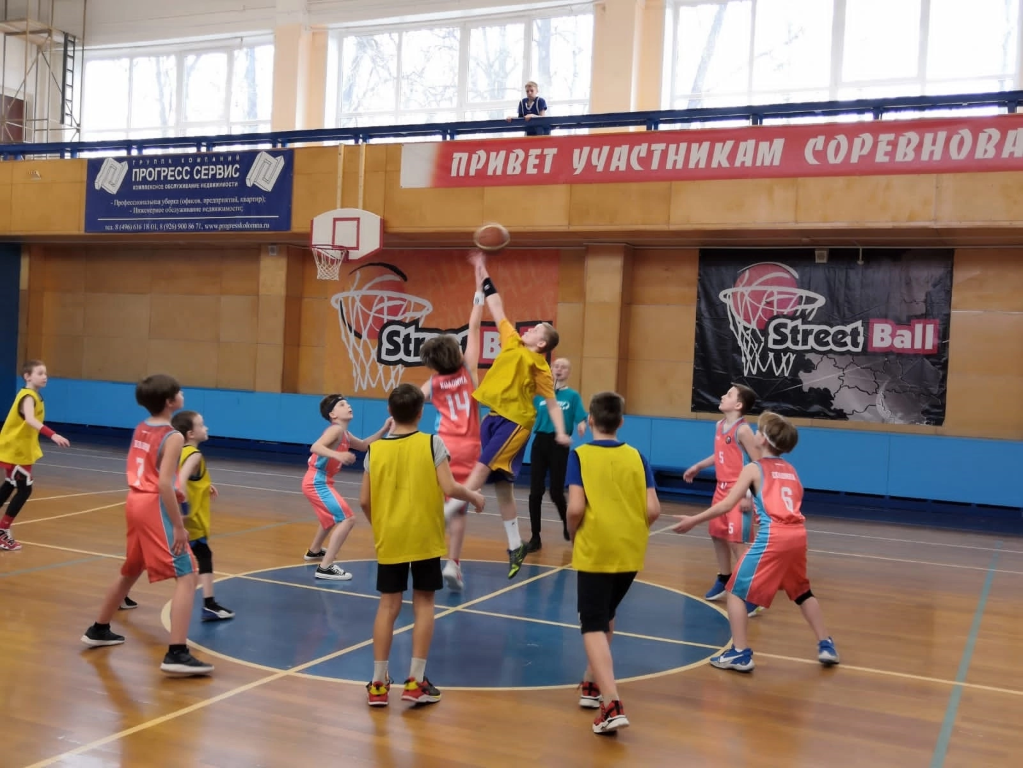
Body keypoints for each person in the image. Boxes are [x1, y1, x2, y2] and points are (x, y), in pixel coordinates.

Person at [672, 411, 840, 672]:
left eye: (759, 431)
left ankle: (740, 654)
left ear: (763, 439)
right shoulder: (791, 470)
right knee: (802, 591)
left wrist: (693, 520)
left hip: (774, 536)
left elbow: (726, 504)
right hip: (798, 535)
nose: (755, 433)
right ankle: (826, 644)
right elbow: (790, 499)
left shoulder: (754, 468)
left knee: (736, 591)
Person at [81, 374, 213, 676]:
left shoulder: (142, 427)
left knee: (131, 569)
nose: (182, 394)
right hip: (154, 506)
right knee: (188, 574)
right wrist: (178, 525)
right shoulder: (173, 436)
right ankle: (177, 653)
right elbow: (164, 482)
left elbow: (151, 471)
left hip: (135, 501)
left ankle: (99, 628)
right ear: (170, 401)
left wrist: (174, 489)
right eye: (179, 391)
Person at [361, 384, 484, 707]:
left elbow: (364, 501)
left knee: (387, 606)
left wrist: (380, 526)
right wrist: (473, 495)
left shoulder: (375, 450)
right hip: (425, 538)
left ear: (390, 412)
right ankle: (415, 681)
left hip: (391, 538)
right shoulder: (432, 442)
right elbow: (449, 487)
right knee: (425, 603)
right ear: (420, 412)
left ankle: (378, 684)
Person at [453, 251, 570, 579]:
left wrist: (561, 431)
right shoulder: (512, 341)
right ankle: (516, 544)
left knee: (478, 472)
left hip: (516, 422)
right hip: (492, 417)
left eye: (536, 329)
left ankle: (445, 515)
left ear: (542, 343)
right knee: (502, 485)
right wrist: (482, 270)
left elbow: (550, 403)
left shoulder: (540, 366)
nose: (529, 329)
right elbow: (497, 305)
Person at [567, 391, 660, 734]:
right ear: (621, 422)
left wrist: (572, 531)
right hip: (630, 550)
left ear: (590, 419)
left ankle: (611, 703)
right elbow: (653, 509)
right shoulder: (637, 456)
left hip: (596, 548)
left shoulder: (580, 455)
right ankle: (592, 682)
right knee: (606, 613)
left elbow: (576, 508)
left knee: (591, 623)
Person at [419, 275, 484, 592]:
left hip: (439, 443)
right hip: (468, 445)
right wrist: (478, 293)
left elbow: (411, 401)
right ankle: (452, 564)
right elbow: (474, 327)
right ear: (457, 354)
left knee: (436, 500)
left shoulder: (432, 383)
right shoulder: (468, 371)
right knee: (459, 507)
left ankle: (425, 558)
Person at [682, 384, 761, 613]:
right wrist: (699, 466)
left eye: (728, 394)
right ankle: (725, 577)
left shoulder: (743, 430)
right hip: (721, 488)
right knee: (717, 534)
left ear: (738, 405)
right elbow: (720, 454)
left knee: (738, 543)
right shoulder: (719, 425)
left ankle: (752, 592)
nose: (722, 396)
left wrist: (749, 494)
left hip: (739, 490)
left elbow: (757, 463)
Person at [303, 394, 390, 580]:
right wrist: (338, 455)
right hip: (316, 481)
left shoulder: (345, 434)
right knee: (348, 519)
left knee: (329, 519)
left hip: (320, 481)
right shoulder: (335, 430)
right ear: (333, 414)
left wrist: (384, 429)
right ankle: (325, 567)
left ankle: (314, 551)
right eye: (342, 404)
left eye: (348, 403)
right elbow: (315, 447)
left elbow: (365, 445)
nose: (348, 406)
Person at [0, 359, 70, 551]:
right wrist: (53, 434)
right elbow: (30, 419)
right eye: (40, 373)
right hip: (16, 450)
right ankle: (2, 530)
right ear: (27, 376)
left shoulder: (34, 396)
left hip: (20, 450)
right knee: (24, 489)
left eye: (45, 373)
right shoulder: (28, 397)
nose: (45, 376)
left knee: (10, 485)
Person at [171, 409, 233, 621]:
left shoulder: (179, 452)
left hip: (175, 518)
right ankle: (209, 604)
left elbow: (180, 478)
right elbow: (180, 484)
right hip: (190, 521)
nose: (206, 428)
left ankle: (122, 594)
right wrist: (183, 517)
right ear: (191, 434)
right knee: (203, 555)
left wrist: (204, 485)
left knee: (147, 558)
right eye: (201, 424)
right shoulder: (194, 454)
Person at [527, 357, 587, 549]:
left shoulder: (572, 396)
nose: (559, 369)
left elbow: (581, 416)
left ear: (569, 372)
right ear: (551, 369)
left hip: (559, 445)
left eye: (564, 367)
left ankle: (568, 525)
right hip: (540, 442)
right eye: (556, 366)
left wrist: (582, 424)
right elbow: (527, 413)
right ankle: (535, 537)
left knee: (556, 492)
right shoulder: (540, 395)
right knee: (535, 492)